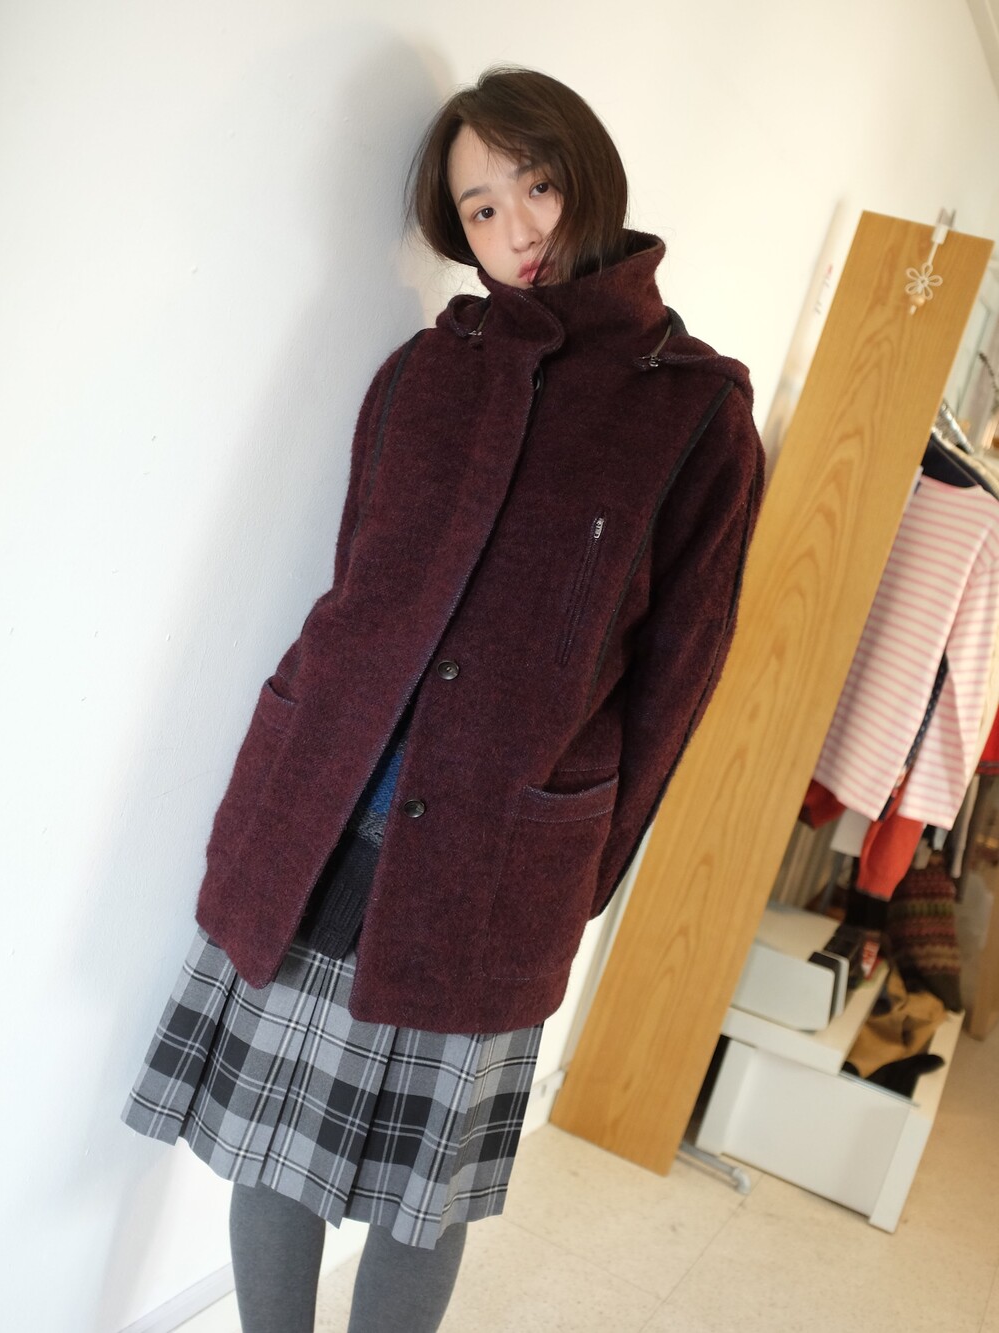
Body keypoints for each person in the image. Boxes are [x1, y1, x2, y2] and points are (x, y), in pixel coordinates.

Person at [123, 66, 765, 1332]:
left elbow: (676, 679)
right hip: (325, 811)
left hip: (495, 854)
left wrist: (577, 877)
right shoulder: (425, 369)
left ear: (587, 177)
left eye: (535, 186)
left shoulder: (696, 410)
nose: (516, 227)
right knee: (272, 1147)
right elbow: (355, 586)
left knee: (423, 1197)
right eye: (479, 208)